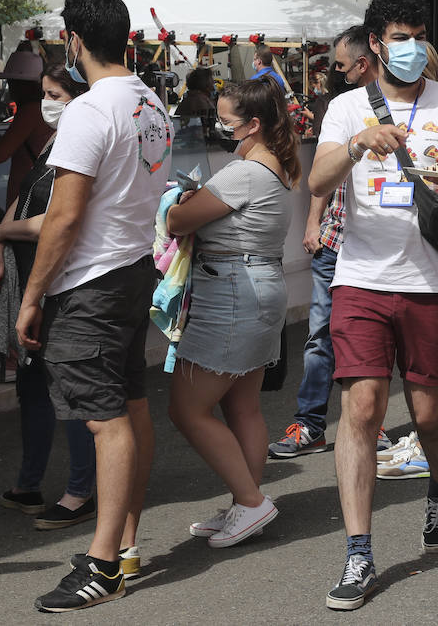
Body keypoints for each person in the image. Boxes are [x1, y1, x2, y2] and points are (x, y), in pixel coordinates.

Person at [309, 0, 438, 611]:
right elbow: (316, 180)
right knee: (361, 410)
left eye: (419, 36)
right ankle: (359, 552)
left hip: (432, 282)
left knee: (428, 414)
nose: (411, 47)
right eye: (399, 37)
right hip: (359, 278)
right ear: (375, 45)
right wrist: (359, 143)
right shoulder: (343, 109)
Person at [15, 0, 173, 612]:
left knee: (106, 419)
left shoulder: (89, 109)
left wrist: (33, 295)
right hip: (133, 269)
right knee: (129, 407)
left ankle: (103, 563)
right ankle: (123, 547)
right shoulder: (149, 102)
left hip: (93, 282)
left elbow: (64, 215)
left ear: (73, 42)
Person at [165, 78, 301, 548]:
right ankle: (247, 503)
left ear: (254, 124)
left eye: (225, 120)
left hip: (232, 292)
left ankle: (250, 501)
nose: (219, 127)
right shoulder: (276, 164)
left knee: (186, 408)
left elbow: (179, 220)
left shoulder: (243, 171)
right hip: (258, 287)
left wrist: (177, 202)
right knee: (242, 405)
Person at [0, 65, 98, 534]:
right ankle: (28, 484)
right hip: (34, 275)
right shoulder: (54, 139)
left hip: (65, 280)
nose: (45, 103)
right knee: (31, 386)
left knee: (69, 391)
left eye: (53, 95)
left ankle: (80, 492)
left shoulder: (84, 144)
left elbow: (59, 221)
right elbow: (26, 197)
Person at [271, 26, 382, 460]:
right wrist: (313, 224)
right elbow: (321, 177)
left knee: (372, 343)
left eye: (339, 65)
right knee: (321, 335)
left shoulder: (402, 108)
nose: (334, 73)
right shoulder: (339, 108)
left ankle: (371, 424)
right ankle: (312, 424)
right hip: (336, 242)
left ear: (362, 62)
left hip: (380, 248)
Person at [0, 51, 55, 209]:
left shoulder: (29, 112)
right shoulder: (42, 109)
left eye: (12, 82)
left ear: (21, 84)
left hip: (28, 197)